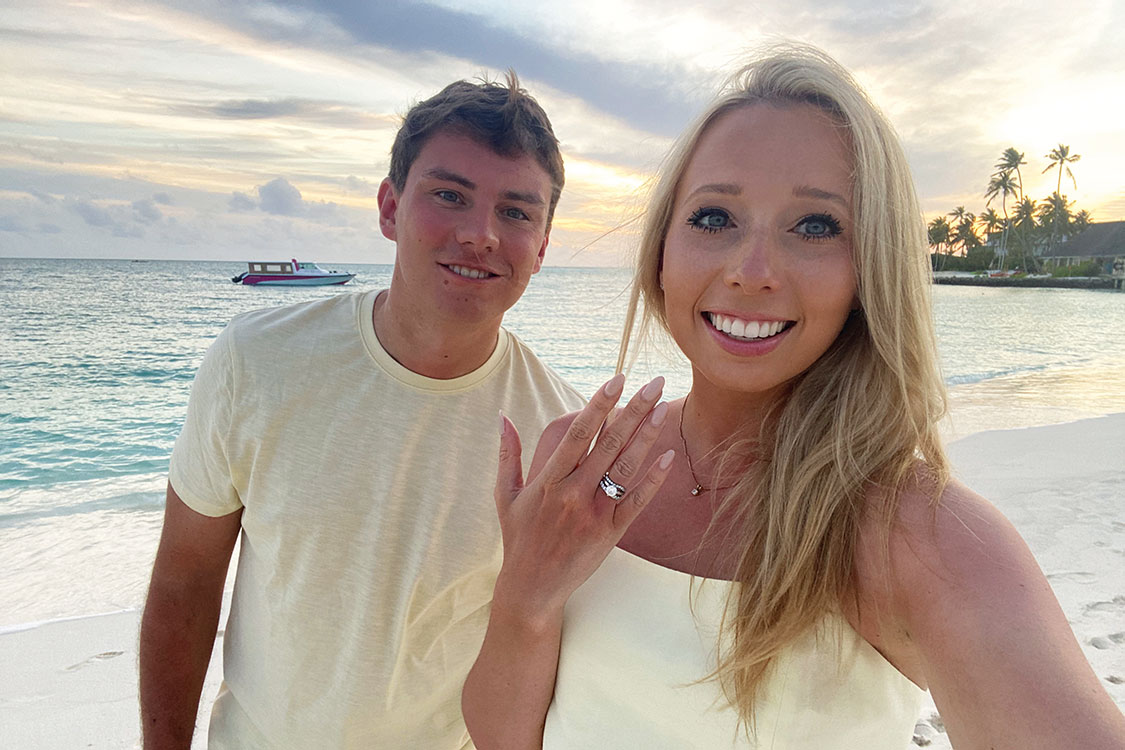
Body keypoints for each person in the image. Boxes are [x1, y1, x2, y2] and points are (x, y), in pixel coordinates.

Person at [462, 45, 1125, 749]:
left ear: (869, 268)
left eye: (814, 226)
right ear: (662, 250)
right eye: (714, 218)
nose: (751, 273)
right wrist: (522, 604)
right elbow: (505, 736)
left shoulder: (917, 535)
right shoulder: (580, 462)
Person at [139, 72, 585, 749]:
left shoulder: (561, 430)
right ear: (389, 206)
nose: (480, 234)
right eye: (449, 195)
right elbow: (184, 583)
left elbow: (552, 654)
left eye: (517, 212)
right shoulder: (257, 361)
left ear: (544, 246)